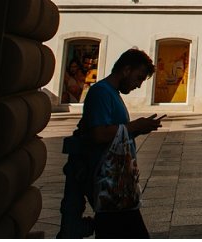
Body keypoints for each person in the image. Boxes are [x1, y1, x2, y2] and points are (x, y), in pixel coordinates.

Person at [59, 48, 162, 238]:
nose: (139, 85)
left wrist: (139, 129)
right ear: (126, 70)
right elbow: (98, 134)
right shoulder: (101, 92)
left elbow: (115, 134)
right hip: (109, 182)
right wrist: (134, 126)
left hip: (116, 184)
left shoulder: (111, 93)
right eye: (138, 78)